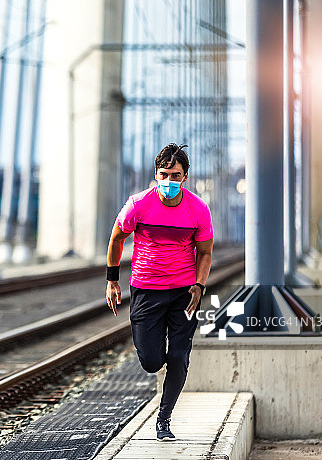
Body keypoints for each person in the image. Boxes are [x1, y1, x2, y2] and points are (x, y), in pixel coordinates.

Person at [105, 143, 213, 441]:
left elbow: (205, 252)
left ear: (185, 176)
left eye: (175, 175)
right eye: (164, 174)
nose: (169, 181)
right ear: (156, 174)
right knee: (151, 361)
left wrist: (199, 284)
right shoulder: (138, 204)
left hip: (184, 293)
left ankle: (164, 419)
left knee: (178, 356)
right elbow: (117, 238)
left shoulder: (198, 209)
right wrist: (112, 280)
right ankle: (162, 361)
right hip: (146, 290)